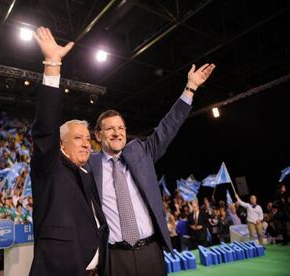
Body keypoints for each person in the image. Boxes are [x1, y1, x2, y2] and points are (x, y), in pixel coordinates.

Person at [89, 59, 215, 275]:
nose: (117, 132)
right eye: (110, 129)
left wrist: (190, 88)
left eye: (121, 127)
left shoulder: (141, 152)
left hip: (151, 252)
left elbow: (168, 127)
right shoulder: (89, 165)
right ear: (98, 135)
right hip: (114, 258)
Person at [29, 26, 108, 276]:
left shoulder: (86, 174)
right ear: (61, 144)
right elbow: (45, 128)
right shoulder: (49, 166)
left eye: (87, 139)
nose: (87, 143)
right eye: (78, 138)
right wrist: (52, 64)